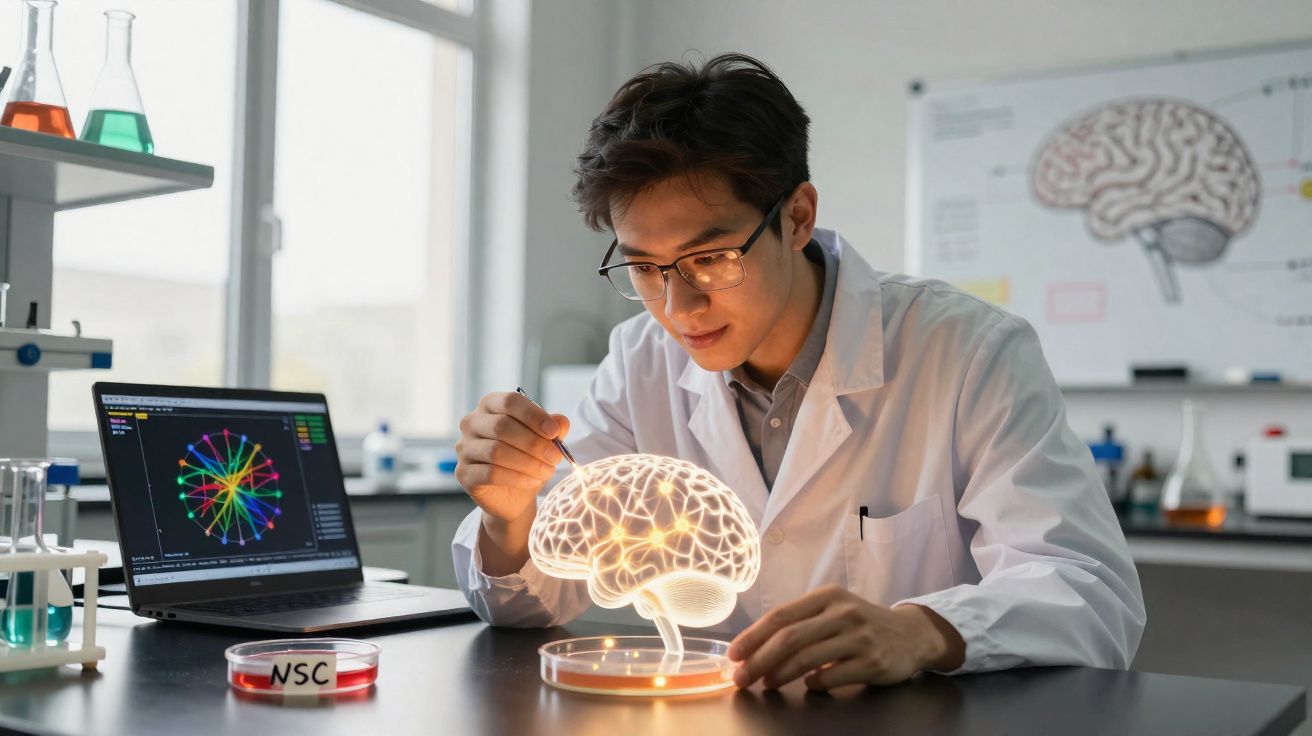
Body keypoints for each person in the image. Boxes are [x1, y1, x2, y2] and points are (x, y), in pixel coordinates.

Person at [451, 53, 1145, 690]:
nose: (678, 305)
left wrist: (923, 630)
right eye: (643, 268)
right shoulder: (641, 360)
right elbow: (531, 603)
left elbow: (1087, 592)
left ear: (798, 217)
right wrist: (510, 518)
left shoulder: (968, 351)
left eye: (711, 258)